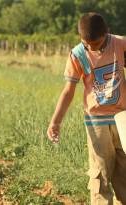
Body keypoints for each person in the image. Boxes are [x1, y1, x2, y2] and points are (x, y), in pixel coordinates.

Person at [47, 12, 126, 205]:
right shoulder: (78, 54)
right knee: (100, 174)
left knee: (124, 174)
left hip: (123, 118)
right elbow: (68, 91)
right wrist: (55, 122)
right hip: (96, 121)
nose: (91, 47)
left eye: (96, 44)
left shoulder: (120, 44)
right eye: (86, 43)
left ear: (107, 33)